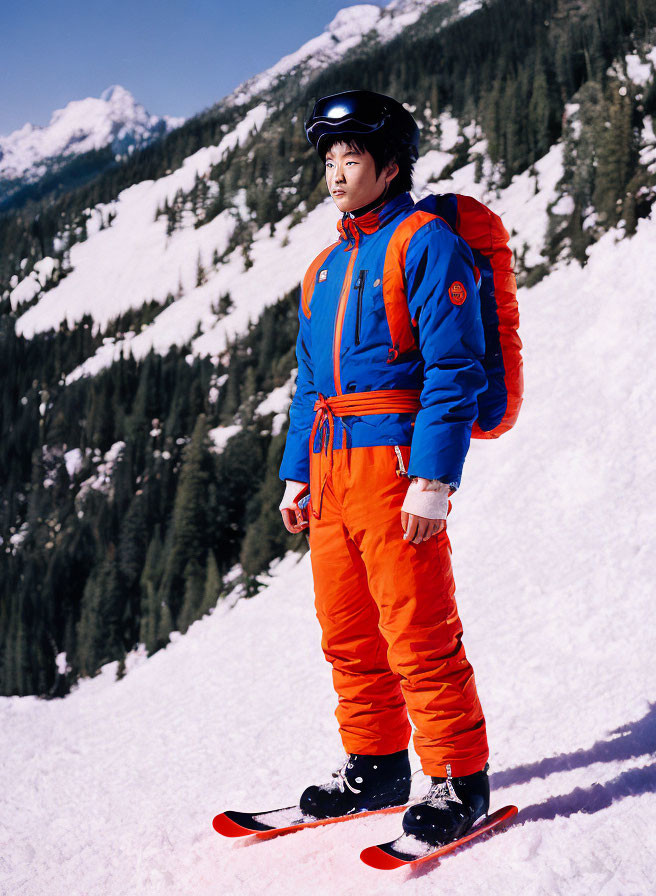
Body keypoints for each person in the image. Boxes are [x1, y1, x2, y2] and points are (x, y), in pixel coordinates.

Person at [278, 89, 490, 847]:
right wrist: (297, 470)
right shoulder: (323, 268)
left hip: (397, 466)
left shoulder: (426, 243)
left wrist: (433, 479)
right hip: (332, 470)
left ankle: (457, 777)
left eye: (352, 159)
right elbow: (310, 381)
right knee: (347, 630)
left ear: (391, 165)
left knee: (417, 626)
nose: (336, 174)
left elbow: (454, 368)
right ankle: (376, 763)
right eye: (329, 160)